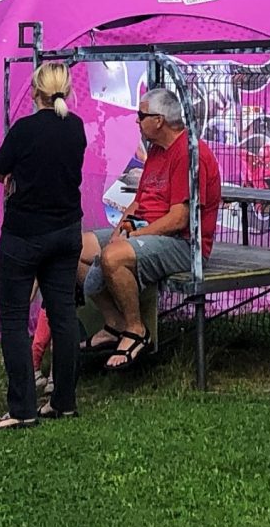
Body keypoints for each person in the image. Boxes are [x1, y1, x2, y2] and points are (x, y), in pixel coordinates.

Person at [81, 87, 220, 372]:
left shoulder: (191, 153)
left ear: (159, 120)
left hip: (182, 243)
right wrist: (122, 230)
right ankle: (114, 323)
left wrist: (133, 238)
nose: (136, 121)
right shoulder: (156, 150)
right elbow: (138, 203)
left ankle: (136, 330)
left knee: (113, 257)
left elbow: (179, 220)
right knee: (73, 248)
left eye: (141, 115)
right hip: (147, 229)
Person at [0, 60, 88, 431]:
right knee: (62, 314)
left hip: (24, 234)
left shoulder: (23, 130)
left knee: (14, 319)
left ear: (34, 92)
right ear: (67, 91)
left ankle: (22, 408)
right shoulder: (75, 128)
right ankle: (64, 402)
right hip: (66, 231)